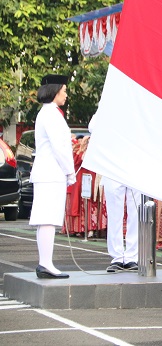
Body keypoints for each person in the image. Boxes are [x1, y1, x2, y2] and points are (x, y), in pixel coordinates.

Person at [29, 74, 76, 279]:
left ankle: (45, 263)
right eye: (64, 90)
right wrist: (70, 171)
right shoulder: (51, 114)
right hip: (51, 172)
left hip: (46, 172)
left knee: (45, 220)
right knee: (47, 219)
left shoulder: (47, 113)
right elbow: (61, 148)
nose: (66, 95)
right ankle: (45, 263)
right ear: (55, 91)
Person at [102, 177, 141, 272]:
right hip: (112, 168)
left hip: (135, 167)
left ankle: (132, 257)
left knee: (136, 213)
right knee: (114, 214)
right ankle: (117, 257)